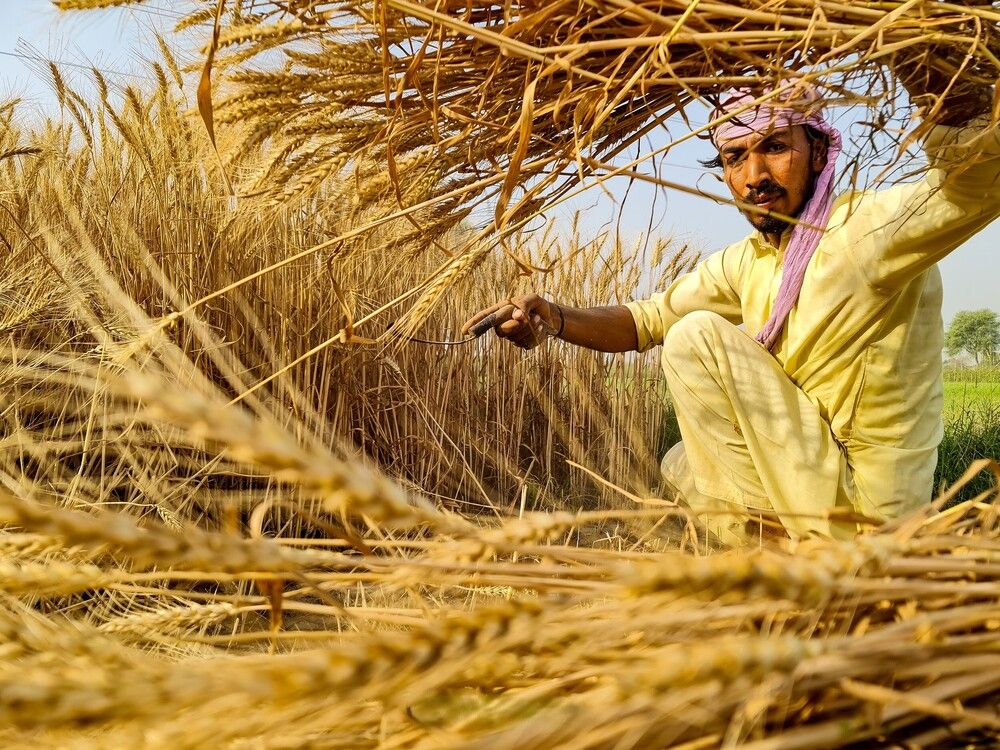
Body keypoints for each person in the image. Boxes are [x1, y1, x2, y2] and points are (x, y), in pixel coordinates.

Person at [462, 65, 999, 545]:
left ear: (817, 151)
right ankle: (787, 559)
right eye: (734, 157)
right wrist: (552, 318)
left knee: (696, 337)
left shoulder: (865, 234)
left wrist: (933, 75)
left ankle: (797, 564)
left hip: (870, 513)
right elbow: (645, 320)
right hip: (810, 483)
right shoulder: (751, 261)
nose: (753, 177)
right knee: (683, 462)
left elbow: (972, 188)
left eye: (774, 147)